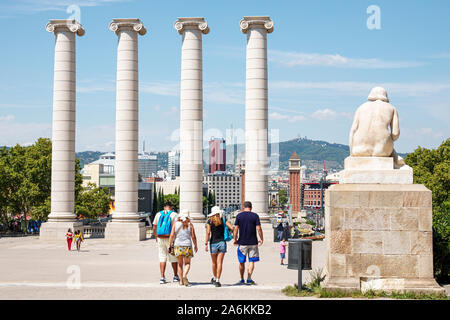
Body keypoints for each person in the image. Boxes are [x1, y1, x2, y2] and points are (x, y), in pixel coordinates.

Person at [233, 201, 264, 285]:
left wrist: (235, 239)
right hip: (253, 242)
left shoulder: (239, 216)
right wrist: (261, 238)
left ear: (243, 207)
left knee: (241, 262)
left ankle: (241, 279)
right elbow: (259, 228)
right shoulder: (255, 216)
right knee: (251, 261)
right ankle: (249, 279)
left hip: (242, 242)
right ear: (251, 207)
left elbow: (236, 229)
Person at [205, 206, 234, 287]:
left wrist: (205, 244)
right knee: (220, 262)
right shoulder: (223, 220)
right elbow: (231, 228)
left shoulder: (209, 221)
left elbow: (207, 233)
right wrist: (227, 231)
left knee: (214, 263)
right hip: (222, 243)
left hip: (213, 243)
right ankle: (218, 280)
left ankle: (214, 277)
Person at [168, 210, 198, 287]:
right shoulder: (190, 225)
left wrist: (169, 245)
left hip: (178, 246)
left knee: (180, 264)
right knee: (187, 263)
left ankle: (181, 281)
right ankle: (185, 275)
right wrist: (195, 245)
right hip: (187, 246)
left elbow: (172, 235)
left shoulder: (175, 224)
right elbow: (193, 236)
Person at [152, 201, 179, 284]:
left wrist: (156, 236)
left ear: (164, 207)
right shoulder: (174, 214)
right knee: (173, 258)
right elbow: (176, 228)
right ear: (171, 207)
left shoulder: (158, 214)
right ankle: (175, 276)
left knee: (162, 257)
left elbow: (154, 227)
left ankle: (162, 277)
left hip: (160, 238)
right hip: (170, 239)